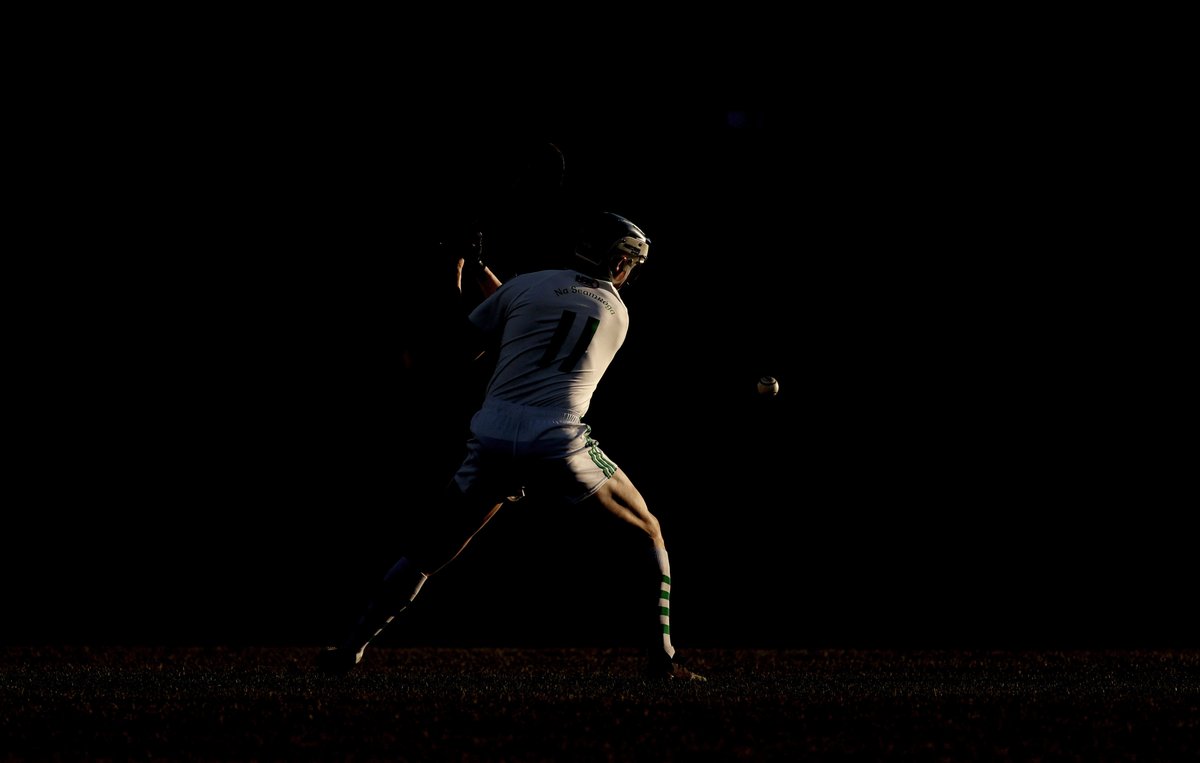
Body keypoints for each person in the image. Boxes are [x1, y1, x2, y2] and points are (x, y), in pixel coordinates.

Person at [317, 210, 705, 681]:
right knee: (649, 531)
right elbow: (534, 312)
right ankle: (663, 659)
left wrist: (458, 269)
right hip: (560, 440)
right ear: (618, 261)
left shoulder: (530, 285)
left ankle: (350, 648)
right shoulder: (617, 313)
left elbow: (473, 339)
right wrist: (480, 269)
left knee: (428, 552)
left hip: (494, 436)